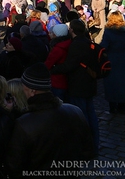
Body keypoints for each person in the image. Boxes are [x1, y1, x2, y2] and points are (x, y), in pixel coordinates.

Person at [6, 63, 95, 178]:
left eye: (24, 87)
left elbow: (14, 167)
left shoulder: (24, 123)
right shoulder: (75, 111)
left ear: (32, 91)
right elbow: (88, 152)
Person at [49, 19, 99, 154]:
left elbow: (70, 65)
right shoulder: (88, 42)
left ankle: (87, 146)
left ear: (72, 30)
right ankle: (94, 144)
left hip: (78, 84)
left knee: (82, 116)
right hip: (89, 83)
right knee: (91, 114)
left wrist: (54, 69)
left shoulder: (76, 45)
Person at [100, 11, 125, 114]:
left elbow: (104, 45)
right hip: (122, 57)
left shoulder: (109, 32)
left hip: (112, 57)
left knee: (112, 82)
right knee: (123, 82)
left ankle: (113, 106)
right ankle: (123, 106)